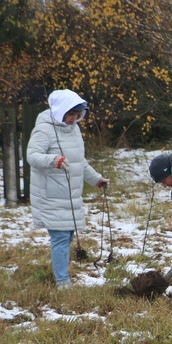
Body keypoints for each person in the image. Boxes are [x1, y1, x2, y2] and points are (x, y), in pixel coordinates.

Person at [26, 89, 109, 289]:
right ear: (60, 111)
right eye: (70, 114)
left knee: (67, 236)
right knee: (61, 238)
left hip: (70, 194)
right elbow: (32, 156)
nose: (74, 118)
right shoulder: (44, 129)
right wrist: (52, 160)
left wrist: (95, 179)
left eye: (78, 114)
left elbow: (79, 161)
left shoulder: (74, 130)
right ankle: (62, 281)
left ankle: (60, 273)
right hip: (51, 195)